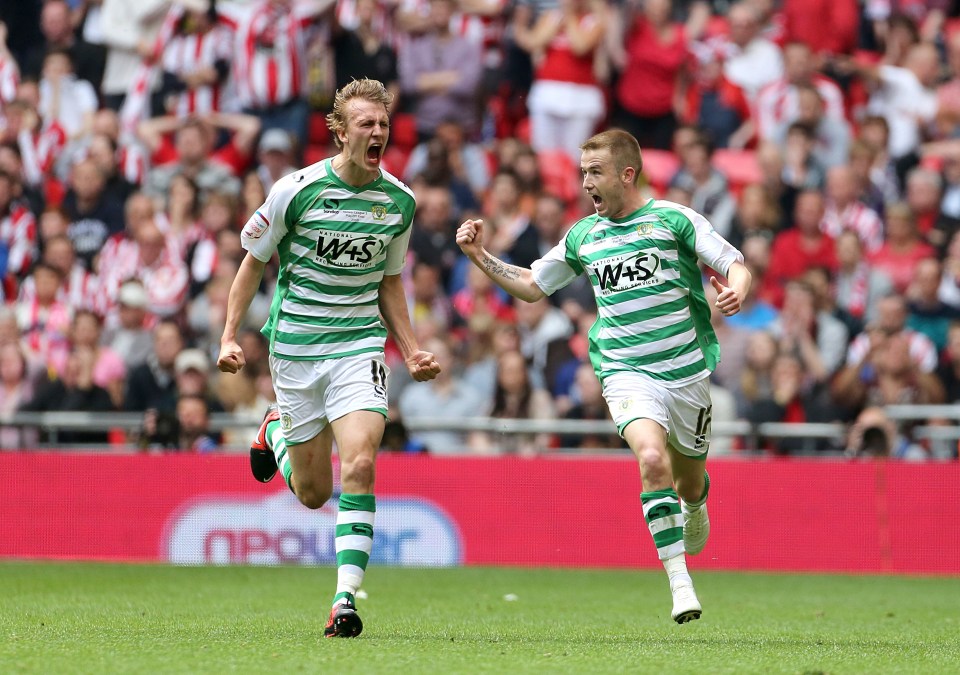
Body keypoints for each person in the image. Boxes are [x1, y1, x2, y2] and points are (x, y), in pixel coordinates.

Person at [456, 129, 751, 623]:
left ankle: (695, 505)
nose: (585, 182)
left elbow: (733, 262)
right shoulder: (583, 236)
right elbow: (531, 285)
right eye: (582, 172)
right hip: (624, 370)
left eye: (595, 172)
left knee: (689, 481)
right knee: (650, 457)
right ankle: (680, 584)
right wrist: (479, 256)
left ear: (626, 174)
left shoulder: (672, 219)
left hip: (686, 372)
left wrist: (736, 290)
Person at [216, 79, 441, 639]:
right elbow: (251, 263)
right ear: (339, 131)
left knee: (361, 463)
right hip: (294, 350)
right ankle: (277, 432)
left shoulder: (399, 202)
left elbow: (391, 284)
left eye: (383, 124)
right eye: (365, 124)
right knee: (314, 493)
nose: (377, 133)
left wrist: (411, 350)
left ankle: (344, 599)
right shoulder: (295, 191)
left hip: (358, 348)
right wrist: (228, 335)